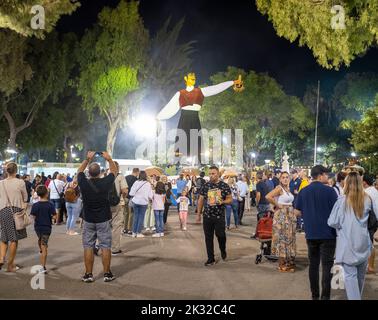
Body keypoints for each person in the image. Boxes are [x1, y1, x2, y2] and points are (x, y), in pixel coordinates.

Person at [294, 165, 338, 300]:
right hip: (328, 234)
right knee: (326, 266)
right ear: (320, 175)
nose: (328, 177)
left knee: (313, 266)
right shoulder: (330, 192)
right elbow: (337, 212)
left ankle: (315, 295)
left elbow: (297, 212)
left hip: (311, 233)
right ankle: (325, 296)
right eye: (326, 174)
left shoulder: (304, 191)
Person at [328, 172, 374, 300]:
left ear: (346, 183)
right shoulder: (367, 199)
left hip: (348, 245)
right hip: (363, 242)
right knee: (359, 277)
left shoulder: (342, 201)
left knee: (350, 277)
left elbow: (332, 222)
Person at [77, 151, 117, 283]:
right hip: (103, 218)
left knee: (88, 246)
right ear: (100, 172)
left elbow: (79, 172)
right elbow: (114, 172)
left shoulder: (83, 182)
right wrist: (109, 159)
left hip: (88, 218)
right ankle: (107, 273)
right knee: (105, 246)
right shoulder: (106, 182)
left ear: (89, 172)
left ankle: (88, 274)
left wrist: (87, 159)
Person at [196, 166, 232, 266]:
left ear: (218, 174)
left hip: (219, 216)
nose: (211, 175)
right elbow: (201, 200)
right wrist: (199, 214)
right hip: (207, 216)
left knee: (221, 235)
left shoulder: (224, 186)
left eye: (213, 173)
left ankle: (222, 249)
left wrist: (222, 201)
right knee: (208, 238)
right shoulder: (205, 186)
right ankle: (210, 259)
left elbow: (230, 199)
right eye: (210, 174)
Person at [0, 162, 28, 272]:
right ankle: (10, 265)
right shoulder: (20, 182)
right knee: (14, 239)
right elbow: (25, 197)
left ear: (7, 171)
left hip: (2, 211)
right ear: (16, 171)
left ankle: (1, 258)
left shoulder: (1, 183)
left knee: (3, 237)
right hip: (15, 211)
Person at [266, 171, 296, 272]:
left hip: (289, 215)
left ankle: (288, 261)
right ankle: (281, 264)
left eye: (287, 177)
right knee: (282, 239)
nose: (285, 179)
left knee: (289, 238)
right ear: (280, 179)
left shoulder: (288, 189)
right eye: (283, 177)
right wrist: (277, 204)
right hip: (282, 215)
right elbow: (268, 196)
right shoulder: (279, 188)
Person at [30, 185, 55, 273]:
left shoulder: (35, 205)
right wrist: (51, 217)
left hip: (37, 227)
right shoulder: (50, 205)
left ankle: (41, 249)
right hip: (47, 227)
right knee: (44, 246)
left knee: (40, 240)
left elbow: (32, 216)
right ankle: (42, 267)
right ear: (47, 194)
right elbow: (54, 216)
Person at [110, 162, 128, 256]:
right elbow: (125, 190)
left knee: (104, 226)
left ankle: (99, 245)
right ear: (117, 168)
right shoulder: (120, 176)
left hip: (105, 205)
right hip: (117, 204)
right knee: (116, 226)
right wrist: (123, 197)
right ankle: (115, 249)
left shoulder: (104, 176)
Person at [129, 171, 153, 238]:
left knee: (135, 217)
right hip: (143, 203)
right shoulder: (148, 184)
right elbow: (150, 195)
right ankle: (139, 232)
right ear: (145, 176)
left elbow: (131, 193)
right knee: (141, 218)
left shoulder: (136, 182)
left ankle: (134, 232)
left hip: (135, 202)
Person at [362, 174, 378, 274]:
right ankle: (370, 266)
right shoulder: (375, 191)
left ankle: (370, 266)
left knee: (368, 243)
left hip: (370, 220)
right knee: (370, 242)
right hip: (375, 220)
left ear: (364, 182)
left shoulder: (366, 192)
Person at [251, 171, 271, 239]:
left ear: (257, 176)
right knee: (265, 219)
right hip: (267, 203)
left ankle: (258, 234)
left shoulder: (258, 184)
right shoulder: (265, 183)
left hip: (262, 203)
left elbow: (258, 194)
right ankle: (264, 232)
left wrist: (257, 202)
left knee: (260, 220)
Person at [124, 168, 139, 235]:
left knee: (126, 214)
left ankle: (125, 229)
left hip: (125, 198)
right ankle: (130, 229)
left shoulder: (126, 177)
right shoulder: (136, 180)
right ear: (137, 172)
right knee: (132, 214)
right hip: (132, 198)